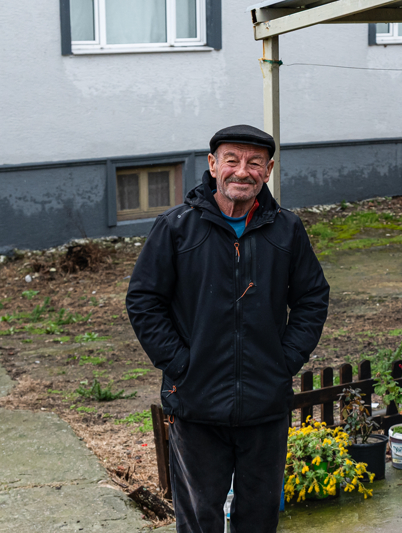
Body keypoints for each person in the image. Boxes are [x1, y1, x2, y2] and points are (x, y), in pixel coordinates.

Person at [126, 125, 329, 532]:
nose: (242, 171)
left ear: (268, 171)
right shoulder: (176, 227)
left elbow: (312, 298)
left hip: (264, 405)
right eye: (232, 160)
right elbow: (144, 301)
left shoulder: (286, 229)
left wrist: (285, 360)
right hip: (197, 405)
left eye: (254, 163)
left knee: (259, 517)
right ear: (213, 165)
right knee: (199, 519)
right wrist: (181, 365)